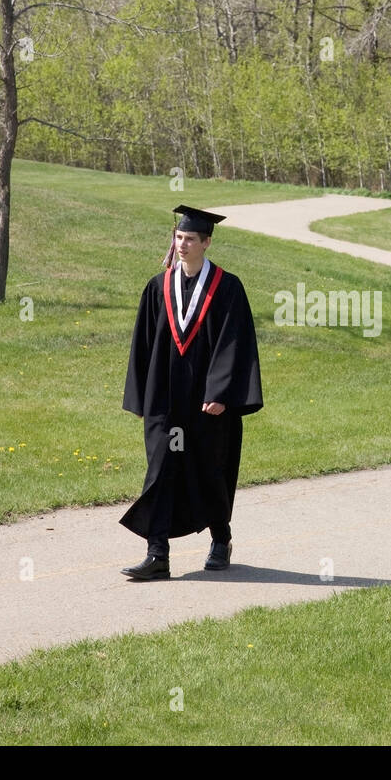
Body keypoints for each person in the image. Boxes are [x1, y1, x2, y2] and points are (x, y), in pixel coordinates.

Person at [119, 205, 264, 580]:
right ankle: (157, 555)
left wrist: (221, 391)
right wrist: (141, 399)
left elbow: (234, 343)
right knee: (160, 472)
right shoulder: (158, 287)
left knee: (209, 470)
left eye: (190, 239)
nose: (182, 245)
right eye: (178, 237)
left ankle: (220, 539)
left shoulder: (227, 287)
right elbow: (144, 345)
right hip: (166, 402)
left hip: (207, 403)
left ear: (207, 242)